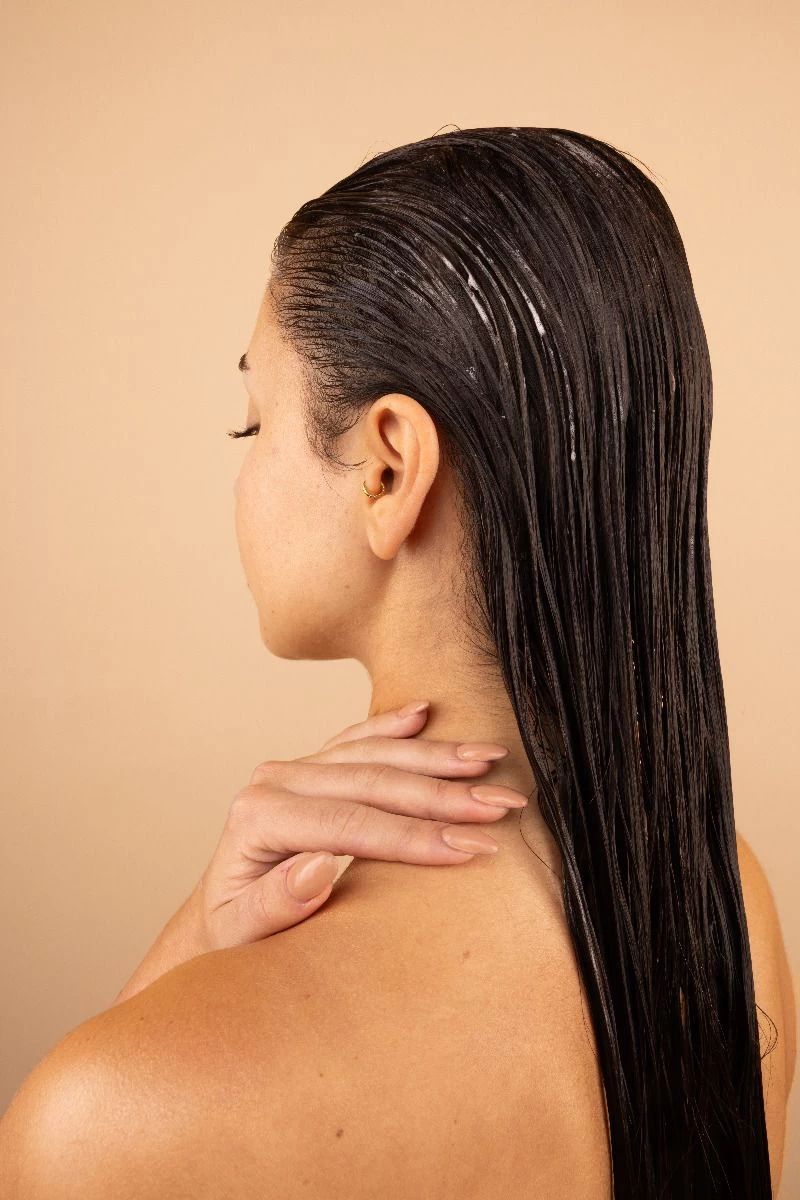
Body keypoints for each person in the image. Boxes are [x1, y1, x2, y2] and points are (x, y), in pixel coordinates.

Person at [0, 126, 795, 1199]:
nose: (241, 476)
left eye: (252, 424)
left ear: (387, 467)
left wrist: (184, 953)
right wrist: (204, 928)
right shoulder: (719, 906)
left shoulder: (111, 1114)